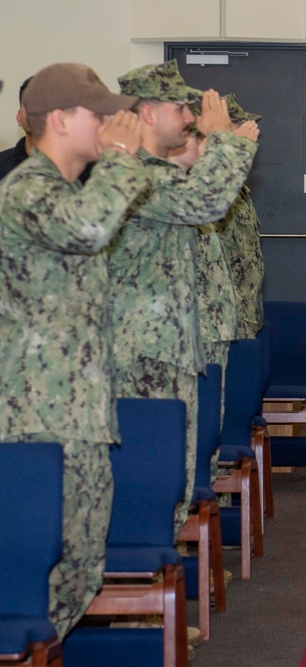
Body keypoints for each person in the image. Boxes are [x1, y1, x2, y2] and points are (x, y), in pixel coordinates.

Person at [0, 63, 148, 639]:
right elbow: (86, 230)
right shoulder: (27, 191)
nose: (114, 122)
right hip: (35, 422)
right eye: (100, 113)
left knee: (80, 569)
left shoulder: (67, 192)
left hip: (77, 413)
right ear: (60, 120)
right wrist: (121, 158)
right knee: (41, 576)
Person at [110, 60, 258, 537]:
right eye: (180, 107)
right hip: (142, 356)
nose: (191, 117)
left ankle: (156, 600)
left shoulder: (154, 174)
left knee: (170, 472)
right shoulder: (137, 176)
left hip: (166, 349)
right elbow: (207, 201)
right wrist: (227, 140)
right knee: (151, 476)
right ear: (148, 114)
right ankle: (143, 606)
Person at [215, 95, 266, 341]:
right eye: (240, 128)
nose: (250, 135)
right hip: (223, 320)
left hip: (245, 314)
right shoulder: (209, 188)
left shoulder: (239, 191)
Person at [0, 77, 35, 180]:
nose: (36, 112)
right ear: (19, 117)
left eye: (44, 106)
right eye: (30, 105)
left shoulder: (79, 167)